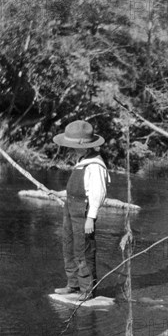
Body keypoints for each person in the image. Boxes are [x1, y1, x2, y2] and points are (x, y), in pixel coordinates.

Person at [53, 120, 109, 301]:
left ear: (86, 146)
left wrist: (91, 218)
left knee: (83, 250)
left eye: (74, 146)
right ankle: (73, 284)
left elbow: (97, 193)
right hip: (70, 207)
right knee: (68, 245)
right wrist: (59, 193)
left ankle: (87, 290)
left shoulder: (95, 165)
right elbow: (78, 187)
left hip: (84, 211)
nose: (72, 150)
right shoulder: (82, 160)